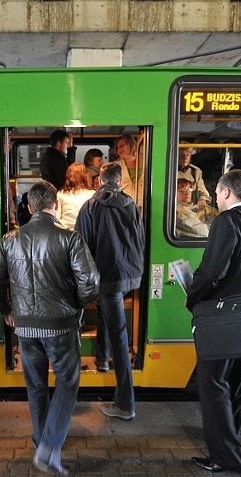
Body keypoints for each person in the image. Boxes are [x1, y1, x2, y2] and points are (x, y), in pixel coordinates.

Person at [0, 180, 99, 476]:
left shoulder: (9, 239)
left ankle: (41, 442)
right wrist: (76, 305)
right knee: (68, 381)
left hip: (24, 328)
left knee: (36, 386)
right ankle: (49, 447)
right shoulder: (69, 237)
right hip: (60, 326)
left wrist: (6, 311)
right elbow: (90, 284)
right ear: (56, 204)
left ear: (28, 206)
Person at [185, 169, 241, 475]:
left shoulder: (227, 221)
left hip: (226, 319)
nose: (214, 197)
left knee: (213, 384)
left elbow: (213, 272)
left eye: (216, 192)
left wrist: (192, 296)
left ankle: (224, 457)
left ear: (225, 192)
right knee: (237, 381)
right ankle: (230, 440)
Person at [76, 162, 144, 419]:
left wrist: (83, 284)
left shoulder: (91, 206)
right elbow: (139, 240)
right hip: (127, 277)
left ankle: (125, 405)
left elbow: (81, 249)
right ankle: (102, 359)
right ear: (119, 180)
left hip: (104, 278)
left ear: (100, 180)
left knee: (120, 337)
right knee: (110, 315)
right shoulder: (131, 205)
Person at [56, 162, 95, 229]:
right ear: (85, 176)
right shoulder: (92, 194)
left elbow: (57, 218)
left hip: (66, 233)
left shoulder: (61, 194)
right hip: (85, 232)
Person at [114, 134, 143, 205]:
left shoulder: (147, 161)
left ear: (130, 144)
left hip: (146, 203)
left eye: (121, 146)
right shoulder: (115, 165)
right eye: (117, 148)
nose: (119, 150)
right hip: (125, 205)